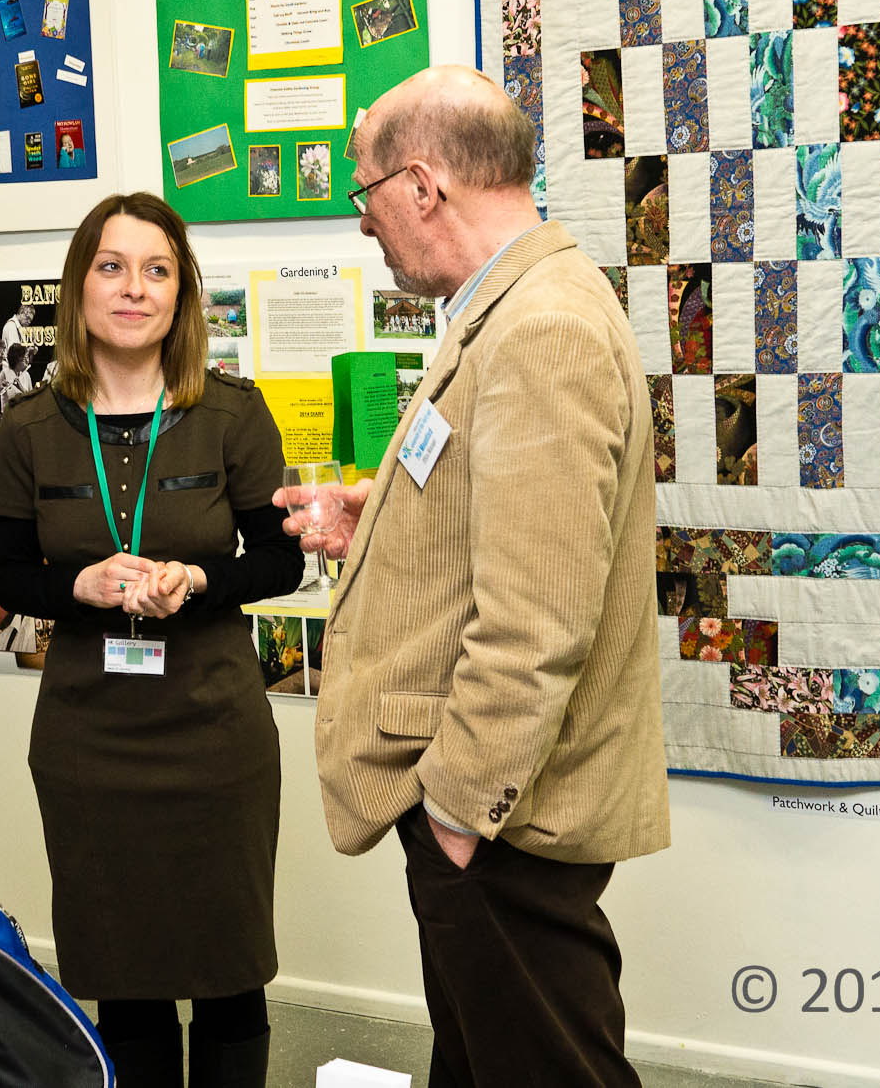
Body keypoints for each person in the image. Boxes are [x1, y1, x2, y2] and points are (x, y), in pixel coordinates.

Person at [283, 64, 668, 1088]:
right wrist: (388, 519)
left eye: (363, 196)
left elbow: (540, 620)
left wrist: (454, 813)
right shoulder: (508, 305)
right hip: (492, 819)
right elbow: (507, 518)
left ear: (420, 185)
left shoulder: (538, 328)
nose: (363, 226)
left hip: (499, 822)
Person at [0, 193, 303, 1088]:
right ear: (80, 286)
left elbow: (279, 561)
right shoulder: (29, 428)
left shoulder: (233, 414)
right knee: (123, 976)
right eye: (112, 267)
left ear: (182, 292)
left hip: (213, 730)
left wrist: (199, 580)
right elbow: (11, 574)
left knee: (229, 965)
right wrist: (76, 587)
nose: (135, 288)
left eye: (157, 269)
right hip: (92, 737)